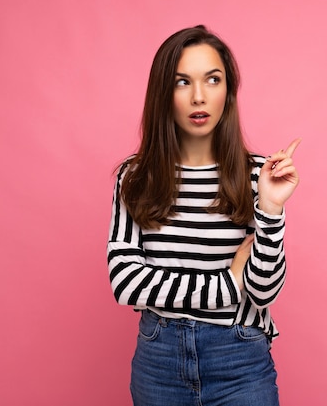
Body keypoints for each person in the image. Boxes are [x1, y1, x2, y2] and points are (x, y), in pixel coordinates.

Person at [107, 25, 300, 406]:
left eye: (213, 80)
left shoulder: (257, 174)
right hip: (159, 361)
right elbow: (126, 282)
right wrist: (229, 282)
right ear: (164, 93)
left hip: (239, 358)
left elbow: (263, 290)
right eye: (182, 82)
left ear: (228, 91)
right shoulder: (137, 176)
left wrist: (271, 209)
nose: (199, 96)